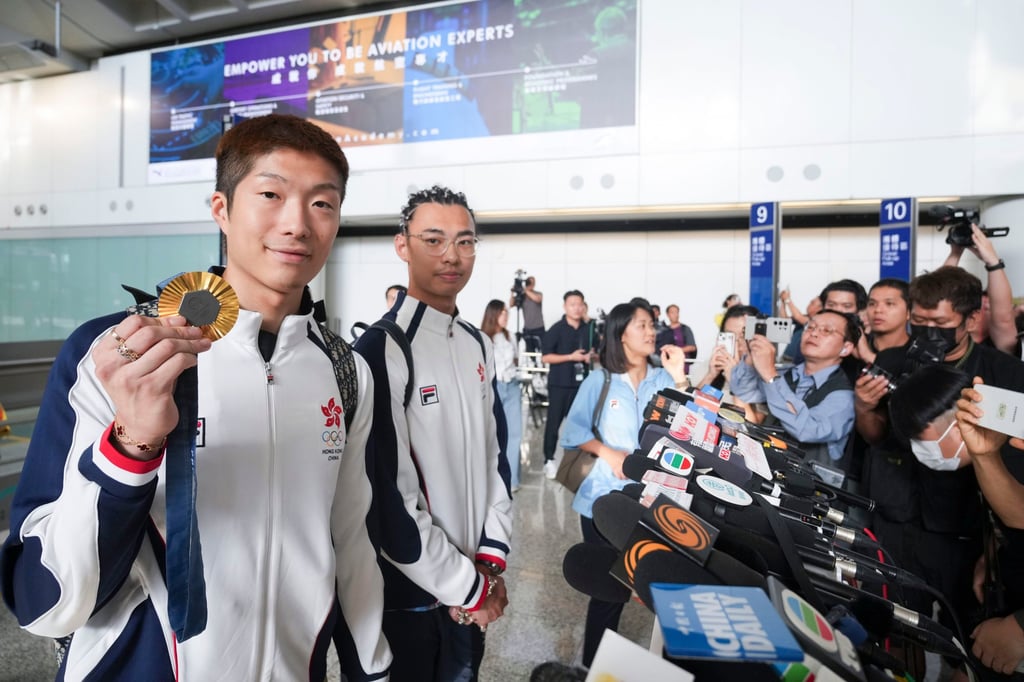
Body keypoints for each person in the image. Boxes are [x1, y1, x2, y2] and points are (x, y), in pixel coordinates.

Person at [0, 114, 390, 680]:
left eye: (322, 203)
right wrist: (132, 446)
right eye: (270, 194)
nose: (297, 223)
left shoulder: (345, 370)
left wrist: (371, 670)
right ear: (222, 210)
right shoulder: (121, 352)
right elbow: (43, 599)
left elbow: (351, 538)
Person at [354, 185, 511, 682]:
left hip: (473, 581)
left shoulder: (476, 344)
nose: (452, 256)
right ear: (403, 245)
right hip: (411, 597)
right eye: (434, 239)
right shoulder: (382, 348)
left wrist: (490, 559)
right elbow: (387, 498)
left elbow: (497, 459)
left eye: (465, 242)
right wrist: (467, 586)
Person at [560, 300, 688, 668]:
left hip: (655, 501)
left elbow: (689, 431)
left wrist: (679, 376)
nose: (652, 332)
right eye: (643, 325)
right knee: (608, 590)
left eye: (652, 325)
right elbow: (573, 431)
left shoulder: (664, 379)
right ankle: (594, 667)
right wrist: (609, 453)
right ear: (620, 334)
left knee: (662, 588)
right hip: (602, 500)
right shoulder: (599, 380)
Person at [729, 309, 859, 472]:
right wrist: (751, 355)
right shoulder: (786, 374)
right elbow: (742, 391)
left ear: (846, 348)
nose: (814, 334)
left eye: (826, 330)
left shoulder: (843, 396)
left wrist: (770, 375)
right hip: (766, 471)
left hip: (808, 489)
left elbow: (807, 429)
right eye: (810, 327)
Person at [541, 290, 595, 480]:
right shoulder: (557, 329)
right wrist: (570, 357)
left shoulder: (587, 328)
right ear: (565, 307)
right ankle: (549, 460)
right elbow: (545, 356)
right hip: (559, 384)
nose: (577, 308)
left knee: (579, 424)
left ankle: (576, 461)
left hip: (581, 385)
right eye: (573, 304)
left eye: (580, 304)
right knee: (554, 424)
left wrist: (590, 356)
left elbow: (597, 350)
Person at [943, 222, 1017, 355]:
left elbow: (1003, 320)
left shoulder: (1002, 347)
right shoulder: (943, 343)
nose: (982, 309)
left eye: (988, 308)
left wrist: (993, 262)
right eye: (980, 305)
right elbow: (938, 297)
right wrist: (955, 253)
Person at [695, 304, 763, 423]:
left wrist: (735, 380)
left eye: (743, 336)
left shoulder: (764, 376)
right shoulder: (705, 368)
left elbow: (752, 427)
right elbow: (688, 413)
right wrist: (710, 375)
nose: (737, 343)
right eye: (730, 336)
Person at [482, 299, 522, 493]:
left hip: (512, 386)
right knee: (492, 433)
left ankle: (513, 480)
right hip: (493, 386)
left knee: (514, 433)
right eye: (502, 313)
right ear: (493, 314)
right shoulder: (483, 338)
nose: (506, 317)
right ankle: (490, 477)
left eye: (507, 313)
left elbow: (516, 361)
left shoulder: (512, 337)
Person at [510, 275, 545, 353]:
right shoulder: (522, 296)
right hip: (527, 329)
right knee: (529, 351)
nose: (531, 284)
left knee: (542, 350)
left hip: (539, 327)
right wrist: (512, 292)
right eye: (529, 282)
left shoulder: (538, 293)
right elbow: (511, 304)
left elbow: (537, 299)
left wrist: (524, 290)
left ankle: (541, 364)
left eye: (532, 282)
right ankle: (533, 364)